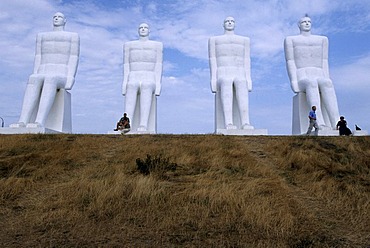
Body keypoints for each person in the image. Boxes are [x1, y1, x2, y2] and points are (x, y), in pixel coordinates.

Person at [11, 12, 80, 128]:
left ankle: (40, 121)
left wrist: (71, 77)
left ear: (65, 20)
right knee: (33, 78)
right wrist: (35, 72)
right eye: (54, 17)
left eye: (59, 17)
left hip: (61, 75)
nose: (56, 18)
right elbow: (38, 56)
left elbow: (74, 57)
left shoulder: (72, 36)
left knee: (50, 79)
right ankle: (23, 120)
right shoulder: (41, 36)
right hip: (43, 71)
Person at [284, 15, 339, 129]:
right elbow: (290, 61)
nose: (307, 23)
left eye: (309, 21)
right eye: (304, 22)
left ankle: (336, 122)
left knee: (327, 84)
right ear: (299, 25)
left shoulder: (322, 39)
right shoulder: (291, 40)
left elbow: (324, 61)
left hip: (319, 73)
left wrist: (327, 77)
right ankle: (319, 121)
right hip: (302, 75)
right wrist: (293, 81)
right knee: (311, 83)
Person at [208, 16, 253, 130]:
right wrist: (213, 79)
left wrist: (249, 79)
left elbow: (247, 60)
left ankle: (245, 122)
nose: (229, 23)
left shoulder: (244, 40)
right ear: (223, 24)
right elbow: (213, 60)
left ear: (235, 24)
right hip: (223, 71)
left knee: (241, 82)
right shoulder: (214, 40)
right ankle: (228, 122)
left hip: (239, 71)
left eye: (232, 21)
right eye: (227, 21)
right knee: (227, 82)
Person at [122, 23, 163, 132]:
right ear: (138, 30)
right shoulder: (129, 45)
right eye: (141, 28)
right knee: (131, 85)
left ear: (149, 30)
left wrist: (158, 84)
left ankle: (144, 124)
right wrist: (124, 82)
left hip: (149, 75)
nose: (143, 29)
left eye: (145, 28)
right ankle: (127, 123)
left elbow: (159, 65)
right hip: (133, 75)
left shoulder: (157, 45)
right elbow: (126, 65)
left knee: (146, 86)